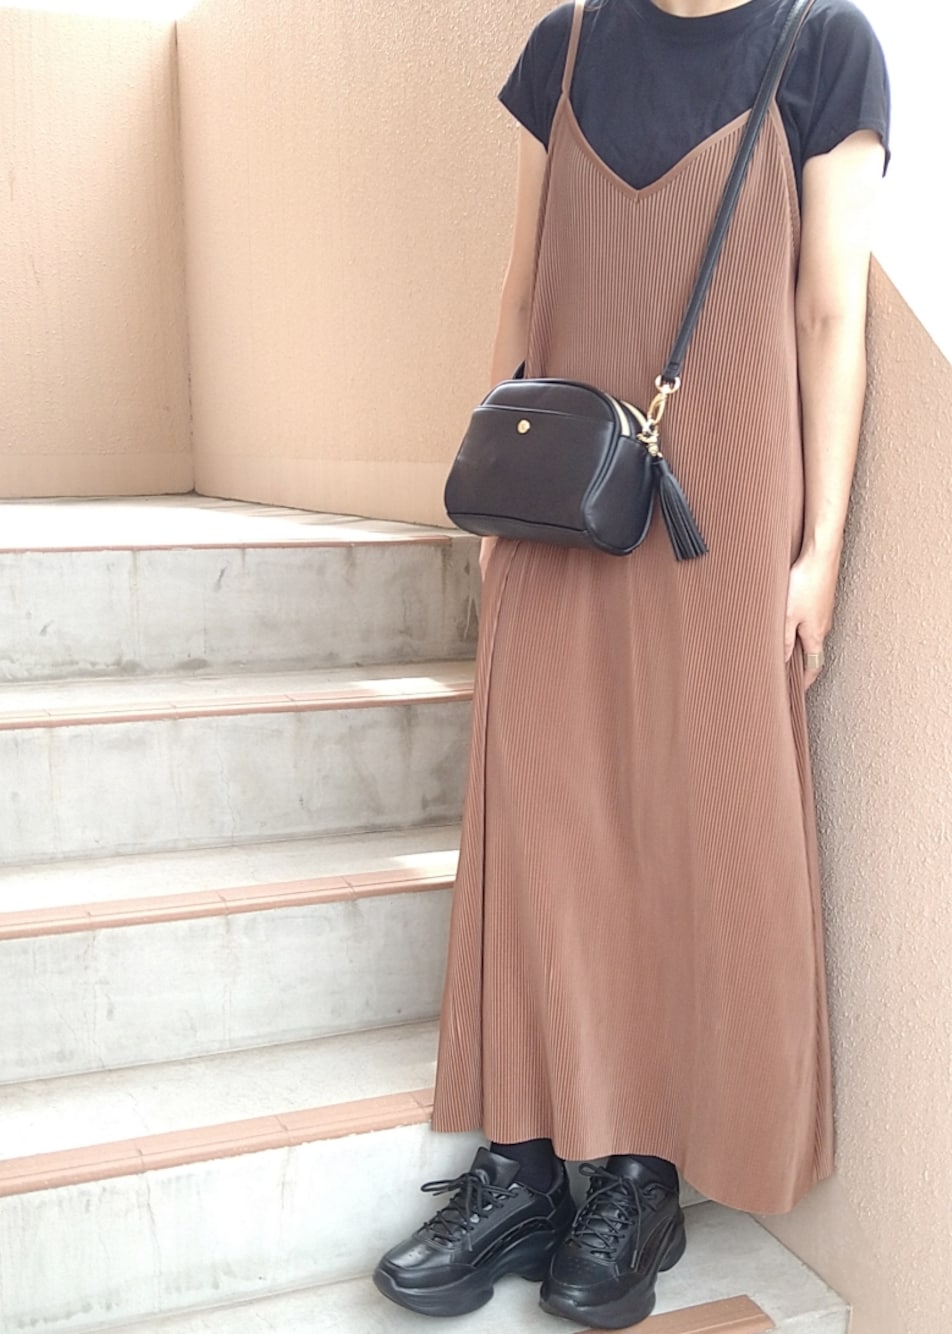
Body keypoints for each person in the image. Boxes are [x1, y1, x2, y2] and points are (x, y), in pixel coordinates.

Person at [374, 0, 889, 1327]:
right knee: (541, 816)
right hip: (557, 498)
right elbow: (524, 284)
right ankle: (520, 1167)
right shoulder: (567, 44)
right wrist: (491, 489)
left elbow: (830, 315)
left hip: (724, 517)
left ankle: (640, 1177)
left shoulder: (826, 46)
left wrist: (822, 548)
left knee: (689, 820)